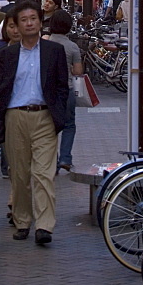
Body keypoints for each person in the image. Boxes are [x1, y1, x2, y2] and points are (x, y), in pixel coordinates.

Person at [0, 0, 69, 246]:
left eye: (33, 18)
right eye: (24, 20)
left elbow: (63, 87)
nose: (29, 23)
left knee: (43, 174)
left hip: (44, 117)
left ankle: (44, 225)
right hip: (15, 117)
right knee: (19, 175)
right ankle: (22, 220)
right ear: (15, 26)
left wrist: (59, 116)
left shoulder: (54, 52)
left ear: (41, 22)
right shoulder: (5, 55)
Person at [48, 9, 83, 173]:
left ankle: (51, 161)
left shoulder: (45, 42)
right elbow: (78, 71)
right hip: (67, 90)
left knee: (49, 127)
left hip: (48, 92)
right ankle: (65, 158)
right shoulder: (73, 46)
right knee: (69, 125)